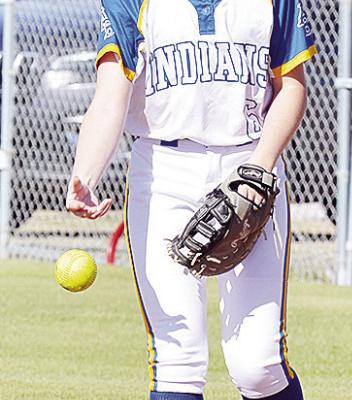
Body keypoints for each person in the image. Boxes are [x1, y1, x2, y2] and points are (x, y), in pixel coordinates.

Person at [66, 0, 317, 399]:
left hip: (250, 165)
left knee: (258, 365)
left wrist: (261, 166)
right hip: (164, 171)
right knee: (176, 358)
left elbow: (292, 86)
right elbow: (111, 95)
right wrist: (86, 173)